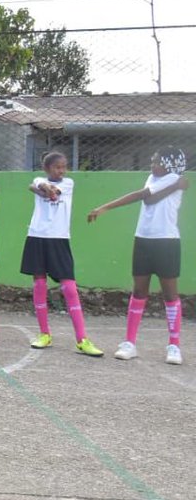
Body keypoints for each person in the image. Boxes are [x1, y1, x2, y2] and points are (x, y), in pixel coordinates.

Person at [88, 146, 188, 365]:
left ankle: (174, 346)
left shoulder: (174, 177)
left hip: (167, 241)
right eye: (152, 161)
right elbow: (149, 199)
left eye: (157, 161)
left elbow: (144, 198)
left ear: (170, 165)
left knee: (170, 294)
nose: (152, 165)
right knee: (139, 290)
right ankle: (129, 343)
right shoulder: (158, 178)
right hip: (143, 239)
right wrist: (173, 187)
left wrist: (104, 207)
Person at [20, 152, 102, 356]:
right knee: (39, 284)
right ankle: (44, 334)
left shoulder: (68, 184)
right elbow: (38, 186)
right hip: (37, 236)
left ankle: (82, 339)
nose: (62, 170)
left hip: (59, 238)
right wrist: (40, 187)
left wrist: (43, 189)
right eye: (57, 167)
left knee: (70, 288)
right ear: (47, 168)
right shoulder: (38, 180)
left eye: (64, 167)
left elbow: (51, 191)